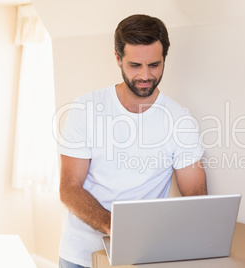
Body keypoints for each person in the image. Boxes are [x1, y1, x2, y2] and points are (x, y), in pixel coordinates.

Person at [57, 14, 207, 268]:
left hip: (142, 257)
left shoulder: (180, 119)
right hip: (81, 256)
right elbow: (69, 188)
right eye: (135, 65)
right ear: (118, 59)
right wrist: (113, 225)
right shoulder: (87, 107)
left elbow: (196, 195)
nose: (146, 76)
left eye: (154, 65)